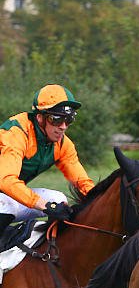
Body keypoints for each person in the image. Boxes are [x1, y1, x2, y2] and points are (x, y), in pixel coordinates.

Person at [0, 84, 95, 238]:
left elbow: (83, 182)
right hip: (4, 196)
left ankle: (48, 249)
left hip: (4, 198)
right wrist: (45, 206)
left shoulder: (63, 144)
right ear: (40, 117)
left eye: (68, 119)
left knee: (58, 200)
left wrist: (100, 201)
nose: (63, 126)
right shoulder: (17, 133)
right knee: (8, 205)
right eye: (56, 119)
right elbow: (6, 181)